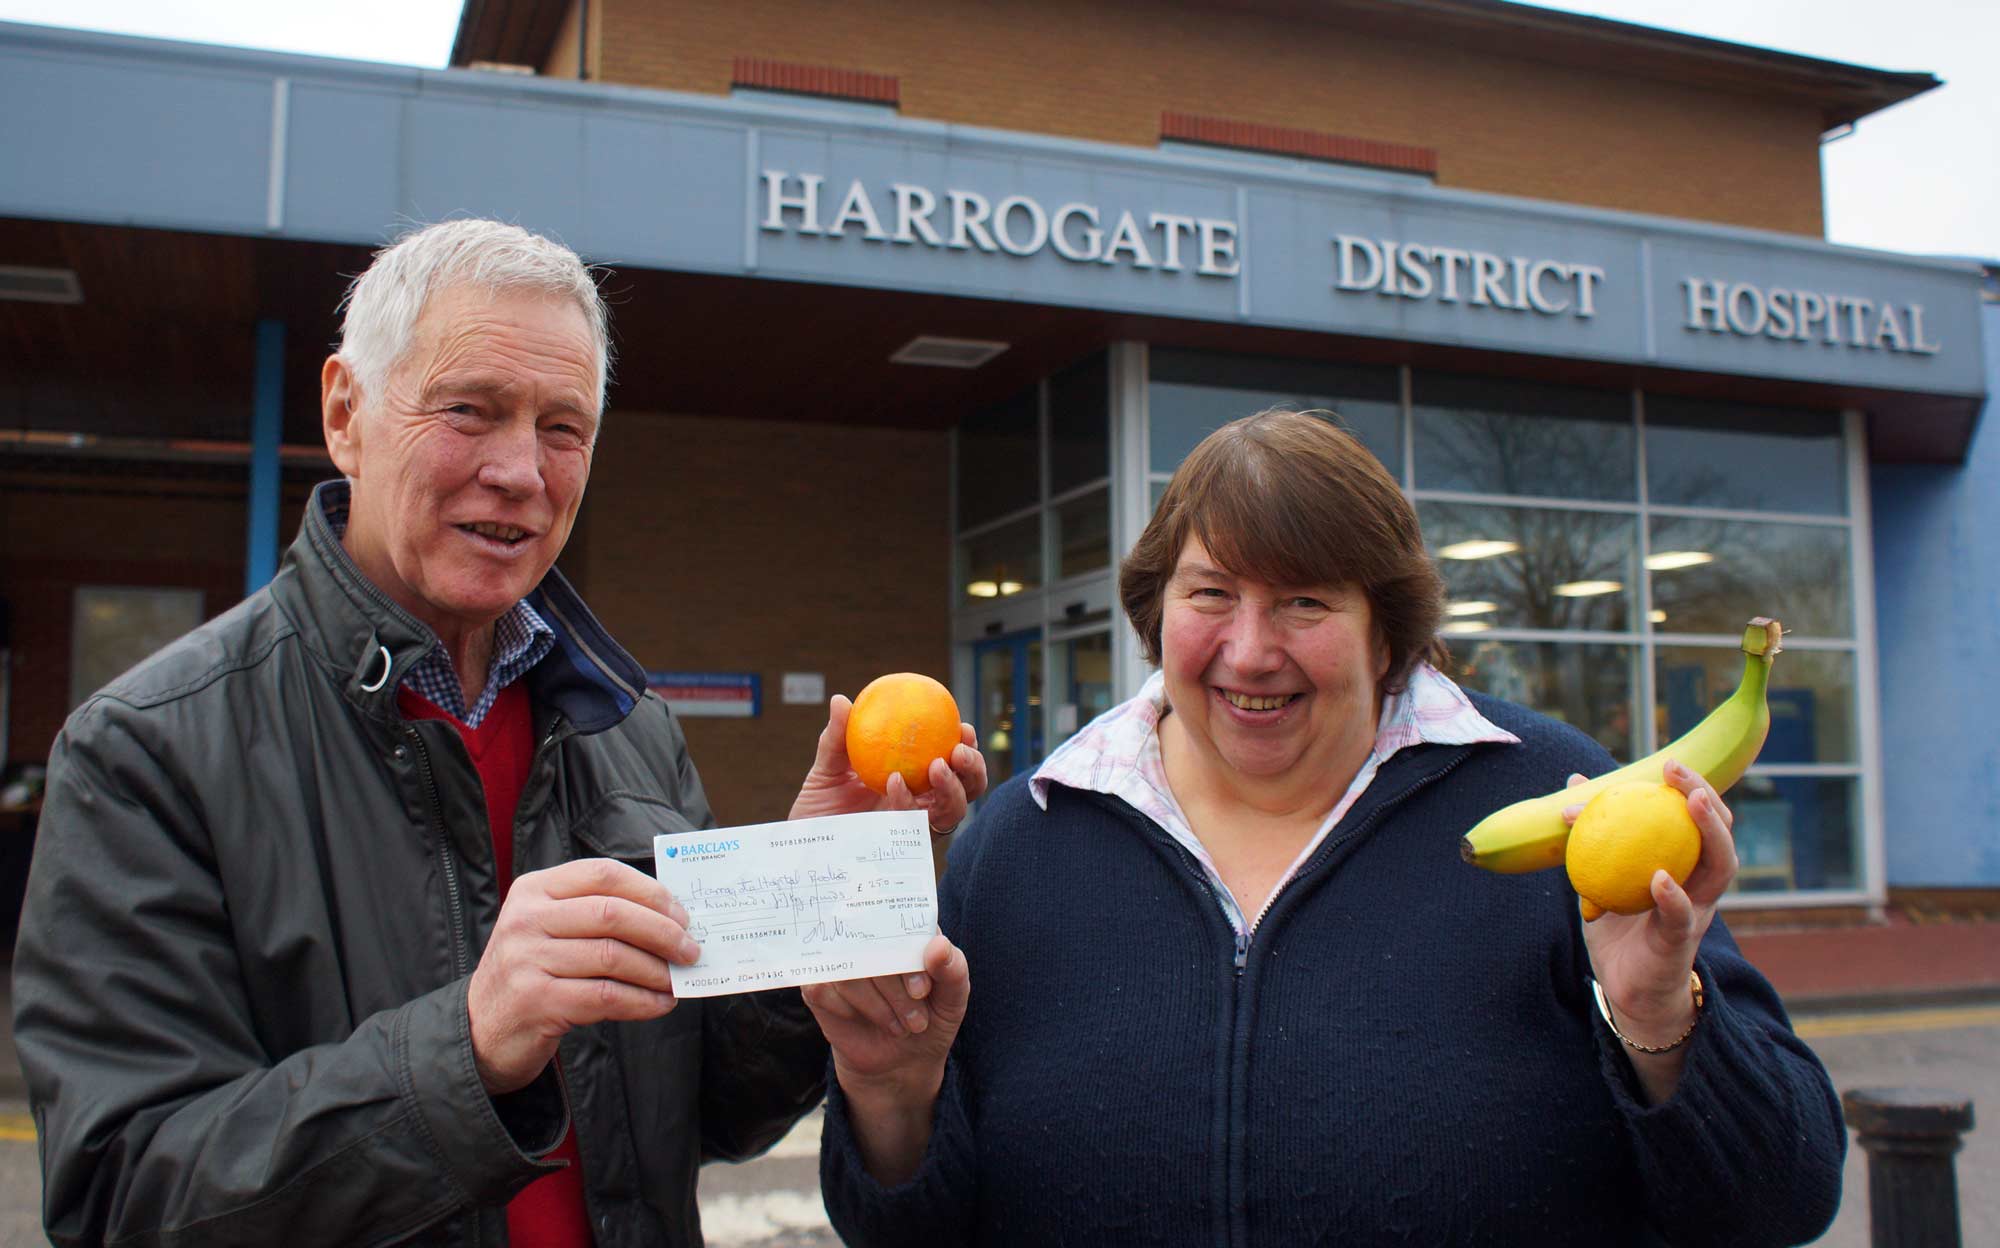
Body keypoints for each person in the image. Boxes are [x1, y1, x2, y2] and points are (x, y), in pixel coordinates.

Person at [11, 218, 985, 1248]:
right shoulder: (145, 752)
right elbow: (123, 1199)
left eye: (561, 428)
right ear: (347, 412)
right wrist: (467, 1048)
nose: (520, 470)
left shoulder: (628, 727)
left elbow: (704, 1112)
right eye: (470, 411)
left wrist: (807, 899)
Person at [806, 408, 1845, 1246]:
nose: (1249, 652)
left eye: (1303, 603)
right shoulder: (1019, 843)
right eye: (1210, 594)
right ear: (1154, 610)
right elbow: (902, 1227)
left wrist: (1659, 1022)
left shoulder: (1560, 812)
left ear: (1384, 630)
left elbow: (1779, 1204)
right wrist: (892, 1097)